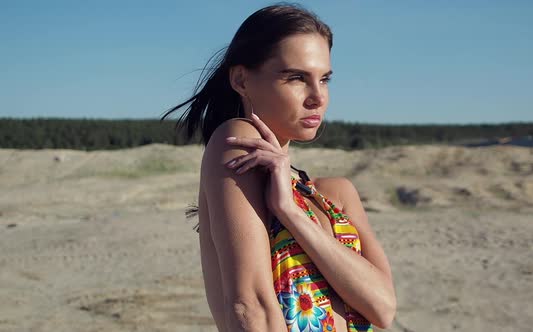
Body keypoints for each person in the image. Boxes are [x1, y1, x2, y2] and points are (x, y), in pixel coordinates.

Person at [162, 4, 396, 331]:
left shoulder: (336, 193)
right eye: (297, 77)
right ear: (241, 79)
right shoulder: (236, 141)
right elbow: (250, 307)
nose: (317, 97)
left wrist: (290, 211)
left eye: (324, 79)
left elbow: (383, 309)